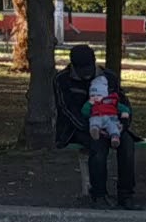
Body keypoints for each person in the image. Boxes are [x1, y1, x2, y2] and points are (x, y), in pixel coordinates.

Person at [53, 44, 141, 210]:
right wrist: (92, 127)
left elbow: (122, 102)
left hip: (111, 122)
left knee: (127, 144)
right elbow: (67, 110)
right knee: (98, 145)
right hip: (78, 127)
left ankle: (126, 194)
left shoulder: (108, 76)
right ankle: (99, 194)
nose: (86, 74)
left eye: (89, 68)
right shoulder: (62, 80)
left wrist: (122, 125)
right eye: (82, 70)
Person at [83, 75, 129, 148]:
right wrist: (88, 104)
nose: (95, 97)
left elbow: (122, 107)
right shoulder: (91, 103)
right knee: (93, 120)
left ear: (104, 94)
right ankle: (95, 130)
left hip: (110, 117)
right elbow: (85, 112)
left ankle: (115, 137)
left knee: (113, 126)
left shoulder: (111, 100)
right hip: (97, 116)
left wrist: (125, 113)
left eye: (98, 95)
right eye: (92, 95)